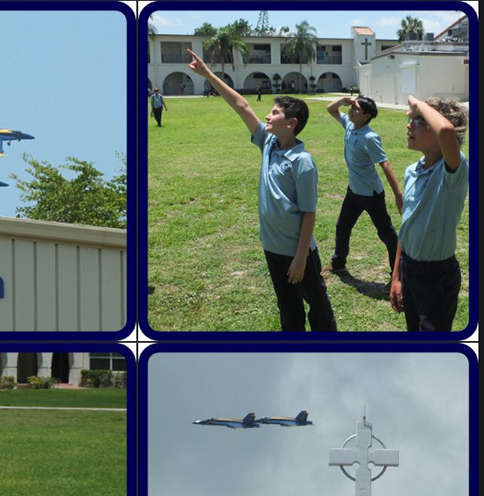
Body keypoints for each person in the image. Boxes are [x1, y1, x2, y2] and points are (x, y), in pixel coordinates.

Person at [186, 48, 337, 332]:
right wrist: (208, 75)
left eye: (275, 113)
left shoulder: (302, 162)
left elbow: (309, 214)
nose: (267, 116)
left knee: (318, 306)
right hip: (273, 248)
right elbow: (241, 105)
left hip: (298, 252)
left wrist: (301, 259)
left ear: (291, 123)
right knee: (289, 309)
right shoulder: (268, 143)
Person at [390, 95, 469, 331]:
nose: (409, 126)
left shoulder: (453, 172)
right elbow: (406, 229)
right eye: (412, 120)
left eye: (419, 121)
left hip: (436, 276)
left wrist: (420, 105)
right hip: (409, 267)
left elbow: (445, 129)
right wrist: (396, 276)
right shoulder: (411, 171)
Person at [325, 96, 401, 276]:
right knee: (342, 226)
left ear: (366, 116)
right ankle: (338, 263)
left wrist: (398, 194)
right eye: (351, 107)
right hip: (354, 191)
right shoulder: (350, 125)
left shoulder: (370, 137)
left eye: (356, 109)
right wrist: (343, 100)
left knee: (387, 235)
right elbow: (331, 109)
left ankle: (399, 274)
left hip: (371, 194)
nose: (351, 111)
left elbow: (385, 164)